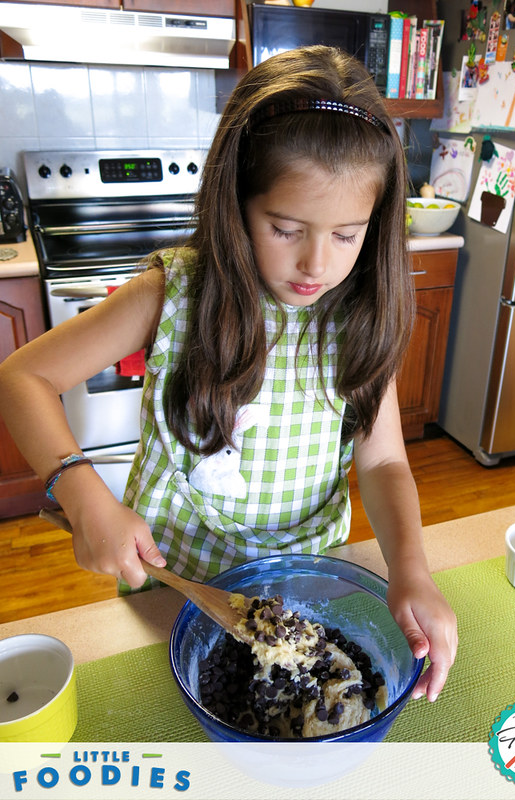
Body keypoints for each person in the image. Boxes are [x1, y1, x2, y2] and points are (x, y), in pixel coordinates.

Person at [0, 46, 457, 702]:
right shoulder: (173, 296)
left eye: (347, 234)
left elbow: (383, 464)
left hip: (308, 591)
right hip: (176, 589)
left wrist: (411, 570)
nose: (315, 264)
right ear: (236, 199)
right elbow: (23, 377)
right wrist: (80, 492)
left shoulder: (358, 314)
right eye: (285, 227)